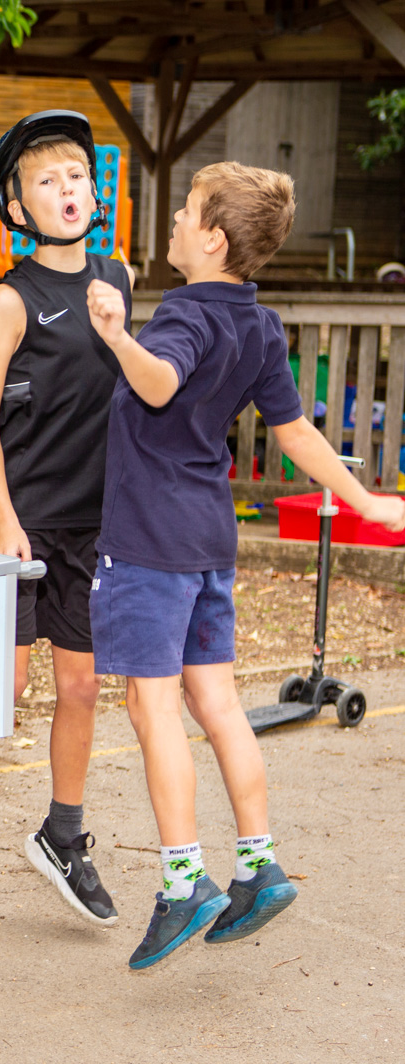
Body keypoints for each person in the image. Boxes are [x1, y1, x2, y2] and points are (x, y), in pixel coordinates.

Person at [84, 161, 405, 968]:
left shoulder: (183, 316)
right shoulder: (259, 326)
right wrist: (365, 502)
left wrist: (120, 336)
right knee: (216, 702)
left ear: (213, 238)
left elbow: (158, 387)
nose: (175, 224)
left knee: (151, 709)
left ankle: (184, 880)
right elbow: (295, 434)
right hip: (206, 540)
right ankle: (259, 865)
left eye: (187, 213)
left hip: (150, 541)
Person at [0, 112, 132, 930]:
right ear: (19, 204)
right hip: (17, 518)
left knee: (81, 683)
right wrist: (5, 521)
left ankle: (63, 835)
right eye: (48, 180)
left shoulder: (119, 276)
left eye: (76, 175)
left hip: (90, 524)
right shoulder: (10, 299)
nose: (68, 189)